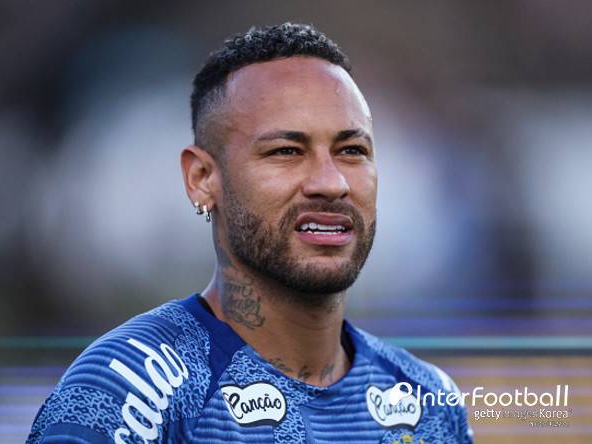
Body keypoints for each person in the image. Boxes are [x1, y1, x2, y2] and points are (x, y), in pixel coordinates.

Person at [27, 23, 473, 443]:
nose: (331, 182)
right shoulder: (126, 390)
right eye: (286, 151)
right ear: (202, 178)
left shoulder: (429, 403)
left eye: (352, 150)